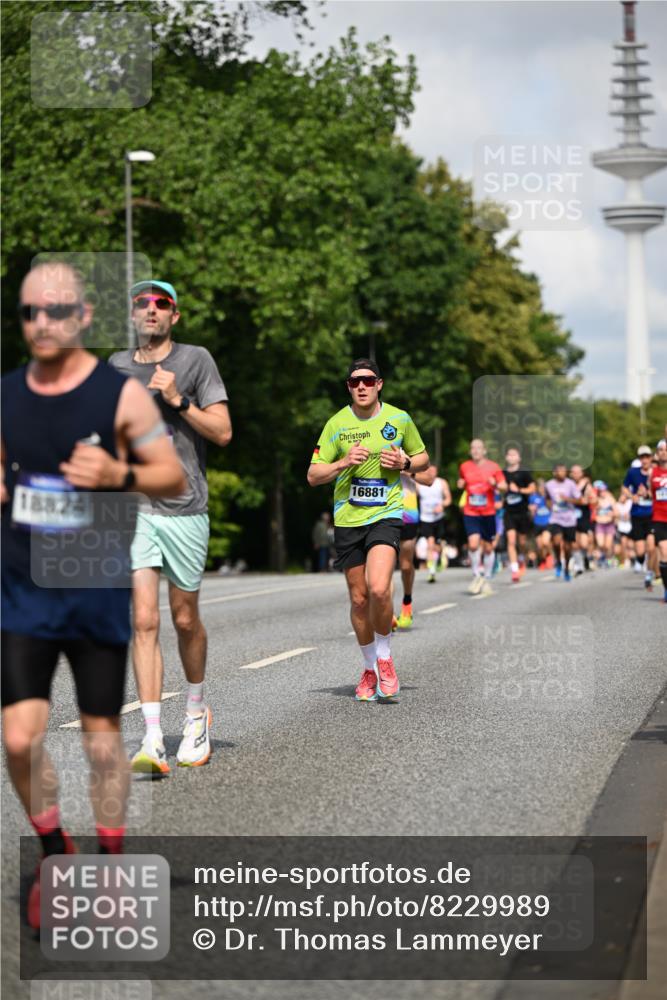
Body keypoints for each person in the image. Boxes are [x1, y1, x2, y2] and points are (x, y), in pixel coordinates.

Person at [1, 263, 185, 929]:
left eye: (55, 312)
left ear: (81, 317)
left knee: (103, 745)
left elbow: (168, 475)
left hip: (94, 578)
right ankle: (56, 856)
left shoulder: (119, 395)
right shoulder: (6, 396)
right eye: (29, 314)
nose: (42, 324)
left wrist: (117, 471)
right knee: (19, 739)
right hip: (23, 586)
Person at [109, 281, 231, 773]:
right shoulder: (115, 367)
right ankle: (153, 736)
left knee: (183, 619)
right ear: (133, 313)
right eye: (143, 303)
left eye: (161, 304)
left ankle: (197, 711)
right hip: (134, 508)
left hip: (185, 507)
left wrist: (178, 400)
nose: (151, 310)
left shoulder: (196, 360)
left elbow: (222, 433)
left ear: (174, 316)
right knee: (143, 620)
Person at [307, 359, 428, 700]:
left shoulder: (399, 419)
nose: (361, 386)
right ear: (348, 387)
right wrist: (344, 462)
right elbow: (313, 475)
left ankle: (386, 660)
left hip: (386, 514)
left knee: (378, 589)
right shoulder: (336, 424)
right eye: (354, 382)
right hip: (348, 519)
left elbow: (423, 460)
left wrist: (405, 463)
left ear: (379, 384)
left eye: (368, 380)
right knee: (359, 599)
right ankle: (368, 667)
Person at [457, 439, 506, 596]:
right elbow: (463, 482)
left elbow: (504, 486)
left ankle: (486, 577)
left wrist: (495, 484)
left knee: (489, 547)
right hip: (471, 511)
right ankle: (477, 575)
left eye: (479, 448)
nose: (476, 450)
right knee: (473, 544)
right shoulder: (464, 466)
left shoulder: (494, 467)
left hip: (488, 512)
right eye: (473, 448)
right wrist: (461, 483)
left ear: (484, 450)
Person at [393, 466, 436, 629]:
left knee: (405, 565)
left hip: (407, 515)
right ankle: (386, 611)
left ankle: (407, 603)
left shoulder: (410, 452)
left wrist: (406, 470)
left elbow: (429, 479)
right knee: (385, 567)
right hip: (382, 514)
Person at [621, 446, 654, 589]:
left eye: (647, 456)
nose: (645, 459)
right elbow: (624, 488)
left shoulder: (657, 472)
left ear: (651, 458)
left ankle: (650, 573)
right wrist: (631, 496)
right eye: (642, 457)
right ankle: (641, 560)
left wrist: (648, 494)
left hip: (653, 514)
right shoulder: (633, 472)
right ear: (640, 459)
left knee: (652, 547)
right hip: (637, 514)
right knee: (640, 550)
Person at [502, 447, 535, 583]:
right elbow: (499, 488)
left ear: (519, 458)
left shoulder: (524, 472)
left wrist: (519, 490)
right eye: (509, 454)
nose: (511, 457)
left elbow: (533, 488)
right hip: (509, 512)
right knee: (511, 540)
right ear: (506, 458)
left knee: (522, 541)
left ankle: (522, 558)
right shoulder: (503, 473)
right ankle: (514, 570)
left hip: (522, 511)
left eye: (514, 454)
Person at [544, 464, 581, 582]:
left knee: (567, 547)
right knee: (556, 540)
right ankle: (558, 561)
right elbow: (547, 498)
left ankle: (566, 568)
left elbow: (579, 499)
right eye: (560, 471)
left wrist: (567, 499)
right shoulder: (549, 485)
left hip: (569, 519)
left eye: (565, 471)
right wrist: (550, 506)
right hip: (556, 518)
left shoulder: (570, 484)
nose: (563, 473)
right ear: (554, 472)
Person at [416, 466, 451, 583]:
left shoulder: (441, 483)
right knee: (429, 545)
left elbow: (448, 499)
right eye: (428, 471)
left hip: (438, 518)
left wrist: (442, 505)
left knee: (437, 545)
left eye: (433, 471)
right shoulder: (419, 484)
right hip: (425, 518)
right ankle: (431, 571)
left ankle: (441, 554)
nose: (431, 473)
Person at [648, 441, 667, 603]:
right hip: (659, 518)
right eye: (660, 450)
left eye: (666, 450)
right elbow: (650, 493)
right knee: (664, 551)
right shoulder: (652, 473)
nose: (663, 452)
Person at [569, 465, 596, 574]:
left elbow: (594, 500)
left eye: (578, 472)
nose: (576, 474)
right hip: (570, 516)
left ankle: (585, 558)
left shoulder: (587, 485)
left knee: (584, 543)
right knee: (574, 542)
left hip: (583, 516)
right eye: (573, 472)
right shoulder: (568, 485)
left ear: (582, 473)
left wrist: (588, 500)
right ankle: (578, 564)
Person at [529, 479, 552, 569]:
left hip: (547, 523)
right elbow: (531, 511)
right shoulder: (533, 497)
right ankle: (543, 559)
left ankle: (550, 556)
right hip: (537, 523)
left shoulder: (548, 497)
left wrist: (547, 499)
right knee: (540, 546)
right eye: (540, 487)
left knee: (545, 542)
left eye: (543, 487)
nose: (541, 489)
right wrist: (531, 510)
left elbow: (552, 507)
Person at [592, 481, 617, 567]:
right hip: (600, 524)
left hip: (609, 524)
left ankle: (607, 558)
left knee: (607, 545)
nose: (602, 492)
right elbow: (592, 510)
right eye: (601, 491)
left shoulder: (611, 499)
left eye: (604, 490)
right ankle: (602, 558)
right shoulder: (596, 500)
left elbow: (617, 512)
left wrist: (612, 514)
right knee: (600, 544)